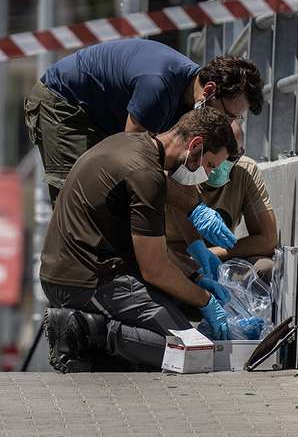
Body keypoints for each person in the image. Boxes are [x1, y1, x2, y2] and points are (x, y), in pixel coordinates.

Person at [39, 107, 238, 372]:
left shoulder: (131, 143)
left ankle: (105, 346)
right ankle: (84, 330)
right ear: (196, 145)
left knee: (183, 305)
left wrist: (196, 279)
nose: (207, 174)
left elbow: (150, 250)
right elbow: (154, 269)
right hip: (83, 280)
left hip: (85, 268)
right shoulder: (146, 175)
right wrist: (204, 299)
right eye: (209, 165)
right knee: (193, 353)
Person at [23, 39, 264, 251]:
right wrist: (194, 209)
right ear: (210, 91)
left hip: (103, 116)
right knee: (80, 199)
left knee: (114, 201)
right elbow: (135, 164)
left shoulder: (191, 100)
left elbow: (176, 174)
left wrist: (195, 244)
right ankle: (72, 280)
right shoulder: (158, 87)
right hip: (65, 104)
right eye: (229, 115)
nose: (228, 123)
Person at [167, 122, 278, 283]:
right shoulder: (177, 170)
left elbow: (267, 240)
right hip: (174, 260)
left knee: (265, 268)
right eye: (216, 157)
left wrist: (208, 254)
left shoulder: (244, 171)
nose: (221, 163)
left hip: (219, 258)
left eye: (232, 156)